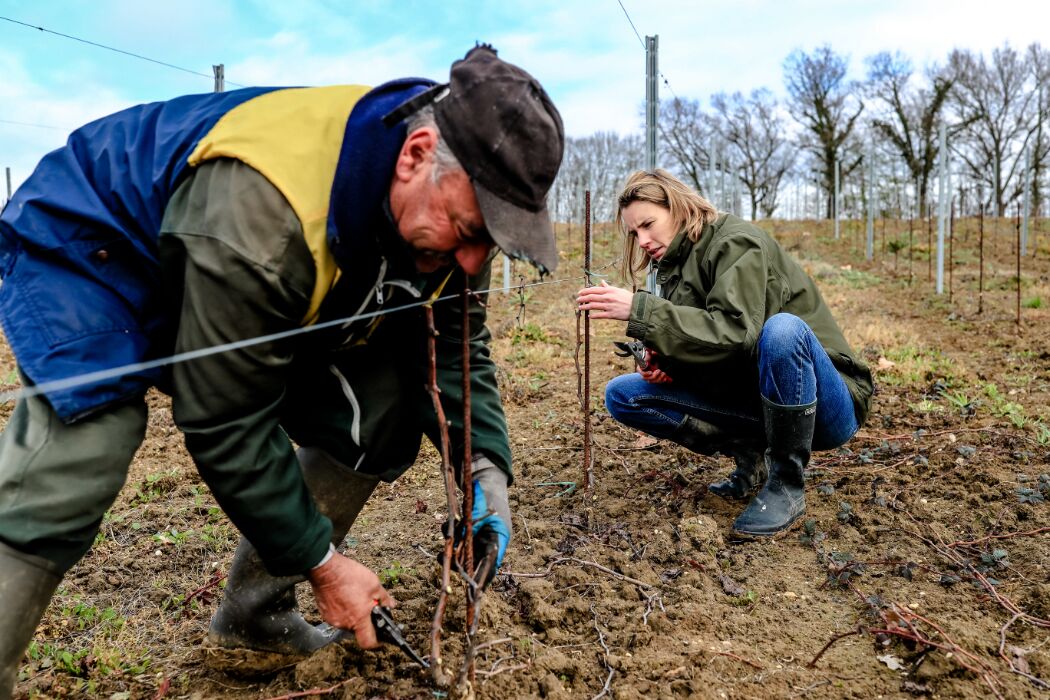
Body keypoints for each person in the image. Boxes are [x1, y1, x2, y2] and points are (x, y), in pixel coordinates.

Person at [0, 43, 564, 696]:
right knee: (83, 446)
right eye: (468, 230)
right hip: (99, 243)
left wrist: (484, 470)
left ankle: (254, 621)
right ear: (416, 156)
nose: (473, 260)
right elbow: (226, 418)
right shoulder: (263, 213)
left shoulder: (453, 212)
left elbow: (455, 344)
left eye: (487, 242)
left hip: (234, 269)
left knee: (377, 409)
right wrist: (323, 564)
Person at [577, 169, 872, 538]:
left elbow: (735, 335)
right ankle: (751, 456)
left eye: (649, 224)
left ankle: (787, 484)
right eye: (634, 233)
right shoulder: (675, 268)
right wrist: (666, 365)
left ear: (678, 206)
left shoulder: (735, 242)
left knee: (783, 330)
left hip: (829, 404)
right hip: (761, 400)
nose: (643, 240)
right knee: (625, 395)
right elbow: (714, 351)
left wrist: (640, 310)